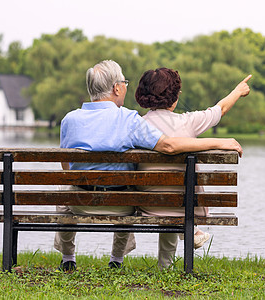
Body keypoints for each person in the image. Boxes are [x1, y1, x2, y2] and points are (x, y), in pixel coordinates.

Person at [55, 60, 244, 271]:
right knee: (131, 188)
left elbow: (66, 165)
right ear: (116, 88)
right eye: (124, 82)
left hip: (79, 202)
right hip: (122, 206)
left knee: (65, 187)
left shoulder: (69, 120)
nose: (126, 86)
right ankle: (117, 260)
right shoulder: (128, 119)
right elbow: (169, 145)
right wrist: (219, 142)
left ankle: (68, 257)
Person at [135, 67, 251, 269]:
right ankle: (170, 260)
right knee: (177, 193)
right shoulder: (189, 122)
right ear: (174, 97)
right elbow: (220, 109)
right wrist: (238, 91)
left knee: (161, 190)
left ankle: (164, 265)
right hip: (186, 208)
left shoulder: (136, 125)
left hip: (148, 207)